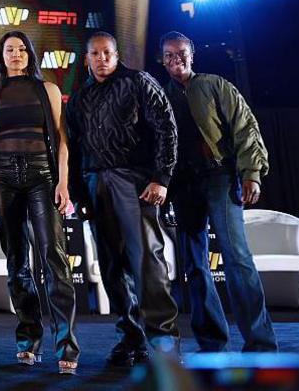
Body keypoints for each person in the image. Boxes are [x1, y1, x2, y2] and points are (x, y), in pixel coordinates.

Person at [66, 31, 180, 367]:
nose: (101, 59)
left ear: (117, 55)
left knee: (147, 262)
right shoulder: (79, 99)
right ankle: (131, 337)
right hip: (95, 183)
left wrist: (162, 178)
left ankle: (164, 344)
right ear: (86, 58)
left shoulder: (139, 82)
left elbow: (166, 128)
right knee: (112, 266)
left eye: (107, 53)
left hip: (135, 181)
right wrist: (79, 193)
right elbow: (73, 150)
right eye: (95, 54)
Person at [159, 31, 277, 352]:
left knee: (237, 259)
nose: (176, 59)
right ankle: (211, 342)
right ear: (163, 60)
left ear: (192, 55)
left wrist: (251, 172)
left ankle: (260, 343)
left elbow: (245, 127)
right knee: (194, 265)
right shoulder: (161, 97)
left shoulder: (215, 85)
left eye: (182, 52)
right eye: (169, 55)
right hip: (184, 186)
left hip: (221, 177)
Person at [0, 31, 80, 374]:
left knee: (54, 258)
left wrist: (63, 182)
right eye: (10, 49)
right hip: (3, 179)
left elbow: (62, 139)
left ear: (30, 54)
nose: (16, 54)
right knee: (17, 262)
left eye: (22, 49)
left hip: (42, 176)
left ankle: (66, 345)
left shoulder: (47, 89)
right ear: (1, 56)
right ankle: (28, 339)